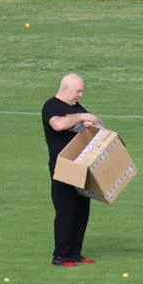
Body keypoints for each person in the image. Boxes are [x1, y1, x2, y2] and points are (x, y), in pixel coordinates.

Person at [41, 73, 103, 267]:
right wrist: (82, 117)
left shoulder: (76, 108)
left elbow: (98, 122)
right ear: (66, 88)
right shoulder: (51, 106)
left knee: (82, 210)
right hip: (62, 167)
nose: (81, 94)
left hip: (80, 166)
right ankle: (60, 255)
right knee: (66, 210)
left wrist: (91, 122)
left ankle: (75, 252)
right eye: (78, 90)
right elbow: (58, 124)